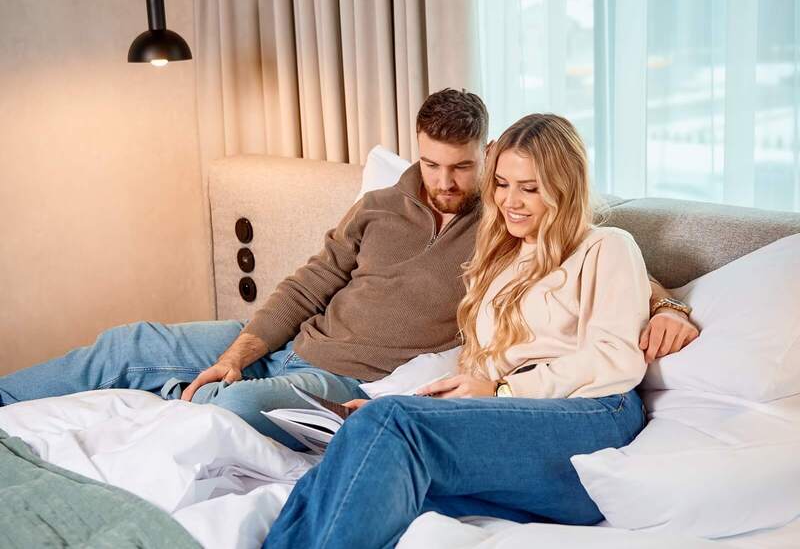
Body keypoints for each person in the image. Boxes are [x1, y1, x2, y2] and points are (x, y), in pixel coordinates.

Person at [0, 91, 696, 450]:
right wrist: (243, 350)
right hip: (285, 342)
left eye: (462, 167)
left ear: (485, 156)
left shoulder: (507, 223)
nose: (445, 182)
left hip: (349, 376)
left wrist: (668, 307)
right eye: (430, 163)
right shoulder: (379, 204)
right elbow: (310, 282)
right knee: (126, 345)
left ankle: (186, 395)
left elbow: (593, 253)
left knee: (224, 411)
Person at [264, 114, 656, 548]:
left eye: (529, 188)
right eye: (502, 184)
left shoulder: (606, 246)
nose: (510, 201)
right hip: (511, 424)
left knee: (390, 422)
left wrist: (503, 391)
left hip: (590, 419)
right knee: (352, 451)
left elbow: (616, 358)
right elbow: (481, 374)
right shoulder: (501, 260)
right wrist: (420, 403)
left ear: (565, 188)